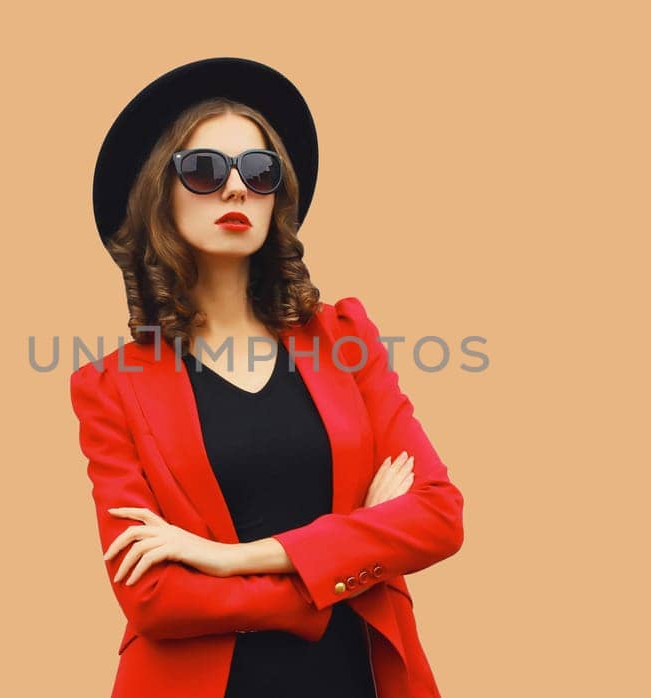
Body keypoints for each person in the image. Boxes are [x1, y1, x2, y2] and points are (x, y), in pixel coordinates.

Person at [72, 57, 465, 698]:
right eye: (202, 170)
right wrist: (336, 570)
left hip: (354, 680)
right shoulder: (112, 387)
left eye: (259, 172)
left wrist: (231, 558)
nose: (235, 190)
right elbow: (152, 597)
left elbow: (439, 516)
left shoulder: (345, 338)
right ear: (157, 194)